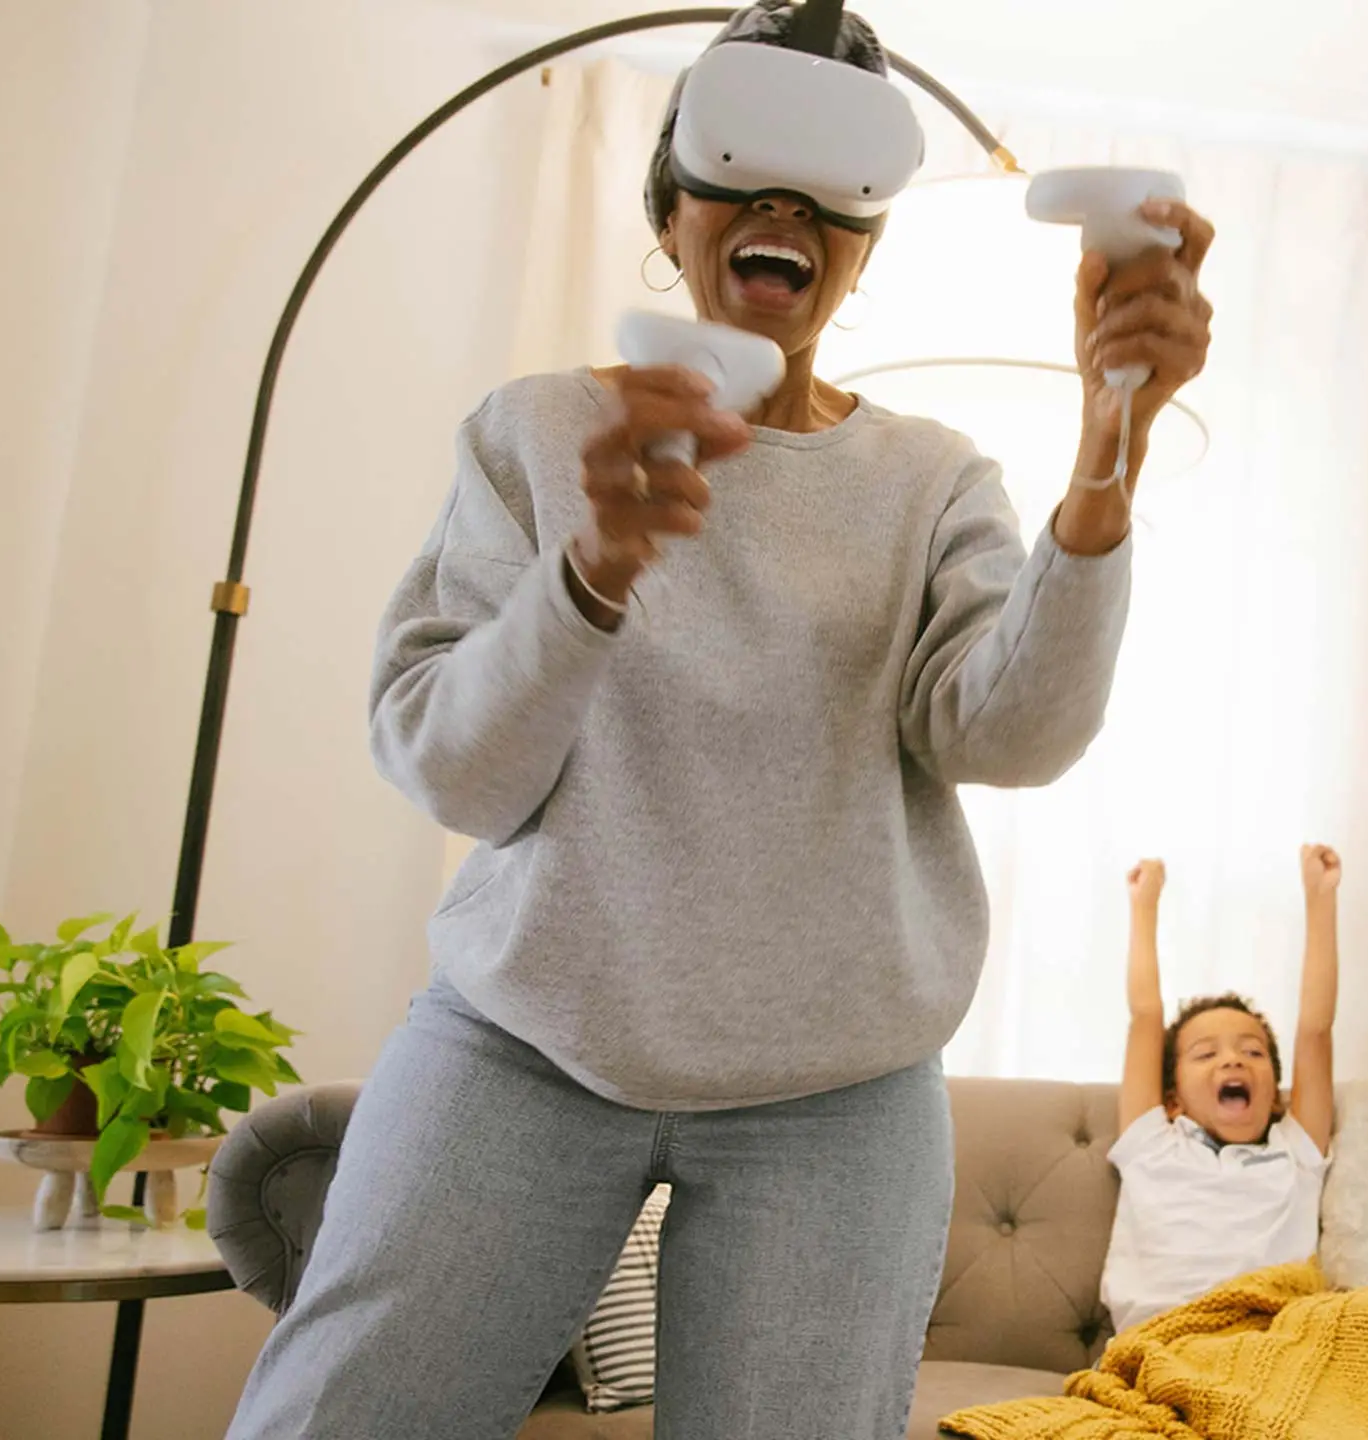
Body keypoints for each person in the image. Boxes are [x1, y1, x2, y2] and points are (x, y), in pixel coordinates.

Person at [223, 4, 1215, 1435]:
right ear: (671, 211)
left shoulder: (934, 479)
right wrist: (590, 578)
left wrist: (1105, 454)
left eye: (826, 197)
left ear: (862, 248)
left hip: (840, 1089)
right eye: (740, 174)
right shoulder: (537, 432)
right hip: (524, 1042)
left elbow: (1012, 736)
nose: (780, 212)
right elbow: (453, 763)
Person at [1099, 849, 1340, 1333]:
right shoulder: (1153, 1145)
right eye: (1206, 1054)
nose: (1232, 1059)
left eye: (1252, 1052)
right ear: (1172, 1101)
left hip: (1270, 1340)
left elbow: (1315, 1030)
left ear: (1276, 1096)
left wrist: (1320, 900)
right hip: (1165, 1337)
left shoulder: (1297, 1152)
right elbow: (1146, 1014)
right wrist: (1144, 906)